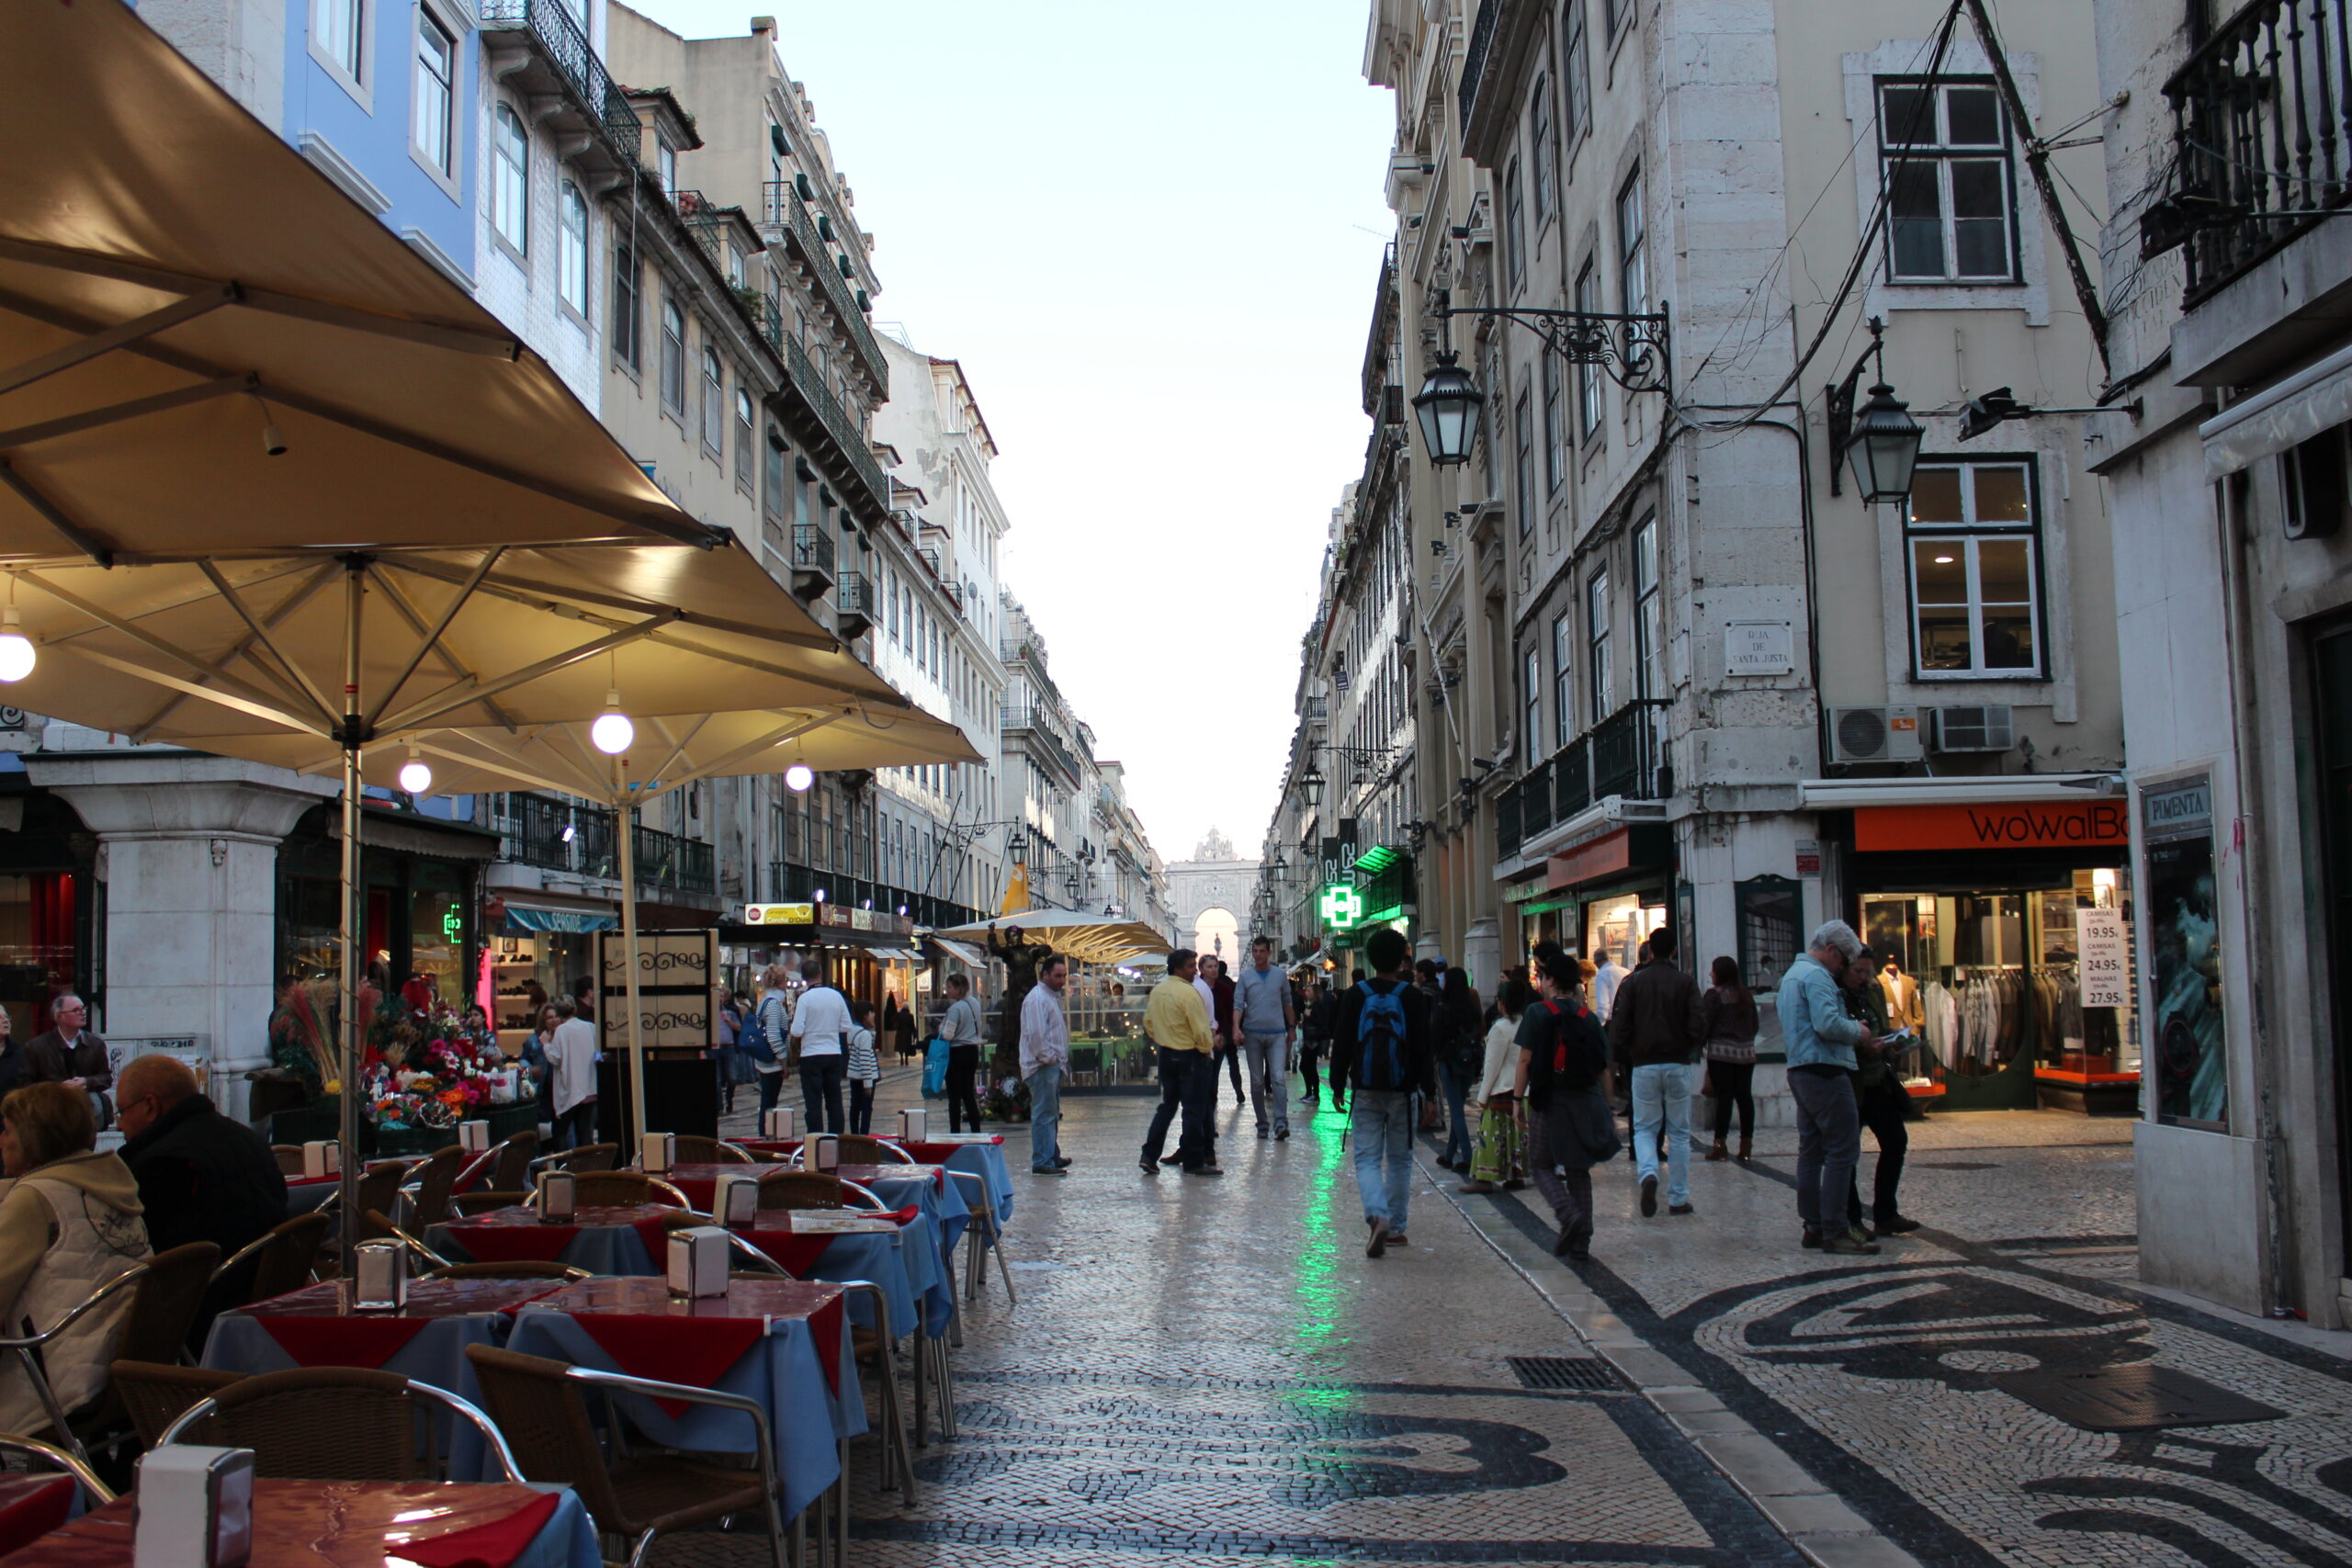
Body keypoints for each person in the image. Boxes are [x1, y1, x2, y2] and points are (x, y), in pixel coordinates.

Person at [0, 1081, 152, 1434]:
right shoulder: (110, 1180)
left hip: (55, 1381)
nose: (1, 1140)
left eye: (6, 1130)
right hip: (120, 1363)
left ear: (29, 1137)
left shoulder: (34, 1199)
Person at [115, 1055, 286, 1340]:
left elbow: (147, 1255)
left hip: (204, 1315)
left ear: (150, 1106)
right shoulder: (247, 1136)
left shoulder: (164, 1162)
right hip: (268, 1291)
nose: (120, 1125)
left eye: (122, 1111)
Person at [1330, 927, 1434, 1258]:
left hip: (1365, 1087)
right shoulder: (1412, 996)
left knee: (1367, 1158)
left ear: (1371, 959)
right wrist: (1429, 1093)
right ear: (1402, 958)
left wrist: (1336, 1084)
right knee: (1401, 1159)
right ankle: (1397, 1228)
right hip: (1403, 1090)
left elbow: (1342, 1042)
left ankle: (1378, 1215)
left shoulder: (1356, 994)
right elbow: (1422, 1048)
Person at [1775, 920, 1878, 1256]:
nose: (1843, 968)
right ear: (1832, 950)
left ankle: (1814, 1225)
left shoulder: (1792, 975)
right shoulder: (1817, 976)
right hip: (1825, 1071)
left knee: (1812, 1150)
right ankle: (1835, 1229)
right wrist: (1857, 1031)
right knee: (1842, 1150)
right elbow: (1827, 1023)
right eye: (1843, 960)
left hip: (1800, 1070)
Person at [1517, 946, 1615, 1257]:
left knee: (1540, 1163)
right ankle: (1582, 1240)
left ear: (1551, 980)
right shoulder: (1588, 1019)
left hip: (1549, 1100)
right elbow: (1604, 1069)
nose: (1540, 982)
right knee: (1578, 1168)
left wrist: (1518, 1099)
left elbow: (1524, 1060)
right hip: (1585, 1101)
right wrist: (1608, 1107)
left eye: (1542, 976)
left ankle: (1566, 1212)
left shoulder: (1537, 1013)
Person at [1608, 924, 1703, 1218]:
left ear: (1649, 950)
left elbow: (1619, 1026)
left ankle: (1648, 1174)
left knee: (1645, 1129)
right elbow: (1698, 1025)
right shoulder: (1685, 982)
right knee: (1679, 1132)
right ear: (1674, 950)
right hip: (1676, 1063)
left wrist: (1624, 1054)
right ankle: (1678, 1198)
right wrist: (1686, 1045)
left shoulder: (1633, 983)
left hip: (1644, 1064)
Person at [1840, 947, 1918, 1237]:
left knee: (1896, 1140)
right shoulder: (1836, 994)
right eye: (1858, 971)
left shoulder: (1872, 992)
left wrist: (1892, 1042)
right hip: (1852, 1082)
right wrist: (1862, 1047)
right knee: (1847, 1151)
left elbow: (1881, 1026)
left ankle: (1886, 1212)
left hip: (1878, 1079)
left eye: (1867, 971)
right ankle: (1852, 1218)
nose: (1863, 977)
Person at [1140, 949, 1220, 1176]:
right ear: (1178, 968)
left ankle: (1149, 1154)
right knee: (1193, 1110)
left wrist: (1164, 1038)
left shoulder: (1158, 991)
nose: (1195, 969)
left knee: (1167, 1106)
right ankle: (1194, 1162)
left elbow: (1148, 1022)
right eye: (1190, 966)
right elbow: (1200, 1028)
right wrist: (1206, 1050)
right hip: (1190, 1056)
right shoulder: (1189, 993)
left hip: (1167, 1055)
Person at [1461, 976, 1533, 1194]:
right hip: (1524, 1090)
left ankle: (1484, 1177)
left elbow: (1492, 1065)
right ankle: (1516, 1174)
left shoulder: (1500, 1029)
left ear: (1502, 1002)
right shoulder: (1528, 1024)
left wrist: (1482, 1096)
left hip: (1502, 1089)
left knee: (1490, 1136)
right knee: (1516, 1135)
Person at [1233, 937, 1296, 1140]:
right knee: (1257, 1081)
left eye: (1262, 951)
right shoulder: (1245, 976)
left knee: (1278, 1078)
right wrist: (1236, 1027)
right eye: (1255, 951)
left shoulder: (1280, 975)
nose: (1258, 954)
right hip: (1253, 1034)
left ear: (1269, 952)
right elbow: (1238, 1005)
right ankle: (1261, 1122)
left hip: (1277, 1033)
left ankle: (1280, 1122)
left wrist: (1292, 1027)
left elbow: (1287, 1002)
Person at [1701, 956, 1759, 1164]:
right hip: (1746, 1054)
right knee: (1745, 1097)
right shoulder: (1746, 996)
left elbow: (1705, 1022)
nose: (1710, 974)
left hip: (1721, 1055)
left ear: (1720, 973)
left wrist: (1700, 1043)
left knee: (1724, 1098)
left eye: (1713, 971)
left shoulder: (1714, 996)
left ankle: (1720, 1145)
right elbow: (1755, 1025)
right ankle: (1746, 1147)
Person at [1020, 953, 1072, 1174]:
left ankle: (1051, 1153)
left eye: (1064, 976)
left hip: (1052, 1065)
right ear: (1045, 975)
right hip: (1042, 1067)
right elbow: (1036, 1034)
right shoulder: (1038, 998)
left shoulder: (1049, 997)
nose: (1062, 980)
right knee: (1044, 1113)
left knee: (1051, 1112)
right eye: (1057, 976)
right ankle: (1042, 1160)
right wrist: (1048, 1058)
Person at [26, 995, 111, 1123]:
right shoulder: (36, 1046)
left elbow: (106, 1077)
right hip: (50, 1114)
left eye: (83, 1008)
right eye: (76, 1010)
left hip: (86, 1113)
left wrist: (86, 1082)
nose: (82, 1013)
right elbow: (25, 1083)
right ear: (59, 1016)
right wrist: (57, 1089)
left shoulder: (95, 1043)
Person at [788, 958, 851, 1135]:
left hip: (811, 1055)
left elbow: (797, 1031)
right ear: (820, 974)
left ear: (803, 977)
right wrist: (830, 1028)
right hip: (833, 1052)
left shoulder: (805, 999)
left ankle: (816, 1139)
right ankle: (837, 1138)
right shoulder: (836, 996)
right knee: (834, 1100)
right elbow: (846, 1025)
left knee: (813, 1102)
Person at [1432, 968, 1483, 1171]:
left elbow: (1436, 1034)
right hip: (1468, 1062)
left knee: (1456, 1111)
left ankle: (1468, 1158)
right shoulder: (1472, 1007)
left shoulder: (1444, 1006)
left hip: (1449, 1062)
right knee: (1458, 1107)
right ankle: (1449, 1154)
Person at [548, 997, 600, 1149]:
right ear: (575, 1009)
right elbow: (598, 1053)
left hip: (570, 1090)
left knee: (560, 1132)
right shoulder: (590, 1027)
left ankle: (564, 1168)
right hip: (589, 1087)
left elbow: (556, 1058)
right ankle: (588, 1168)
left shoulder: (561, 1031)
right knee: (585, 1133)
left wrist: (546, 1045)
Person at [937, 975, 986, 1133]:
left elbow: (948, 1035)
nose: (947, 991)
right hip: (972, 1050)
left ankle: (955, 1131)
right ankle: (975, 1129)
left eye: (949, 987)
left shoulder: (955, 1009)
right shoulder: (974, 1003)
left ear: (959, 989)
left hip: (957, 1052)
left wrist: (939, 1028)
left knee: (954, 1096)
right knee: (968, 1094)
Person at [1199, 955, 1242, 1107]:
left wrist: (1228, 1031)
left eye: (1215, 966)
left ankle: (1212, 1101)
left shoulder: (1224, 989)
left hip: (1220, 1036)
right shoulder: (1195, 988)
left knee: (1214, 1072)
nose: (1213, 970)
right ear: (1202, 969)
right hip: (1200, 1037)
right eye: (1209, 967)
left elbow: (1230, 1012)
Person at [753, 965, 793, 1116]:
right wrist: (783, 1061)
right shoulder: (773, 1004)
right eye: (786, 980)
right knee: (769, 1103)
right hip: (772, 1063)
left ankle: (765, 1132)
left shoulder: (764, 1001)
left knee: (768, 1100)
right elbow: (773, 1035)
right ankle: (765, 1133)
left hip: (764, 1061)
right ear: (780, 982)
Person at [843, 998, 881, 1136]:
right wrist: (868, 1083)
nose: (874, 1016)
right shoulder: (864, 1034)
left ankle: (854, 1133)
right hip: (865, 1077)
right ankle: (864, 1133)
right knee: (866, 1108)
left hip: (854, 1075)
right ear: (866, 1015)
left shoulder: (852, 1031)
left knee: (854, 1106)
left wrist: (871, 1030)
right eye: (872, 1013)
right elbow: (865, 1058)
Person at [1295, 973, 1334, 1110]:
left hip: (1313, 1041)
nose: (1306, 993)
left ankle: (1314, 1095)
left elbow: (1321, 1022)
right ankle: (1310, 1093)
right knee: (1307, 1067)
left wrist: (1308, 1017)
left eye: (1309, 991)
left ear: (1315, 993)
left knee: (1308, 1067)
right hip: (1310, 1040)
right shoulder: (1312, 1005)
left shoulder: (1317, 1006)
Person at [521, 1002, 559, 1132]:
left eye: (555, 1016)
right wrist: (530, 1070)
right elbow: (524, 1059)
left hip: (561, 1090)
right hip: (542, 1090)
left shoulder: (563, 1037)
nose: (553, 1020)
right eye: (549, 1017)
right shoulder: (533, 1040)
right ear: (543, 1021)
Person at [713, 986, 744, 1116]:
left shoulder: (731, 1011)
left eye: (721, 996)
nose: (719, 999)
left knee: (732, 1078)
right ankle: (719, 1106)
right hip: (714, 1049)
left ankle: (729, 1100)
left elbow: (739, 1027)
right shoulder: (710, 1012)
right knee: (717, 1080)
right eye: (717, 997)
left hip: (729, 1047)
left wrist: (728, 1020)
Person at [1591, 949, 1629, 1022]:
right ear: (1610, 959)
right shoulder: (1626, 971)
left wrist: (1599, 1024)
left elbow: (1603, 1006)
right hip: (1628, 1018)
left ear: (1596, 963)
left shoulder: (1602, 975)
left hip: (1612, 1021)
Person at [0, 1009, 23, 1099]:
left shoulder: (21, 1052)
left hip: (9, 1109)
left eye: (7, 1017)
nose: (6, 1021)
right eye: (0, 1018)